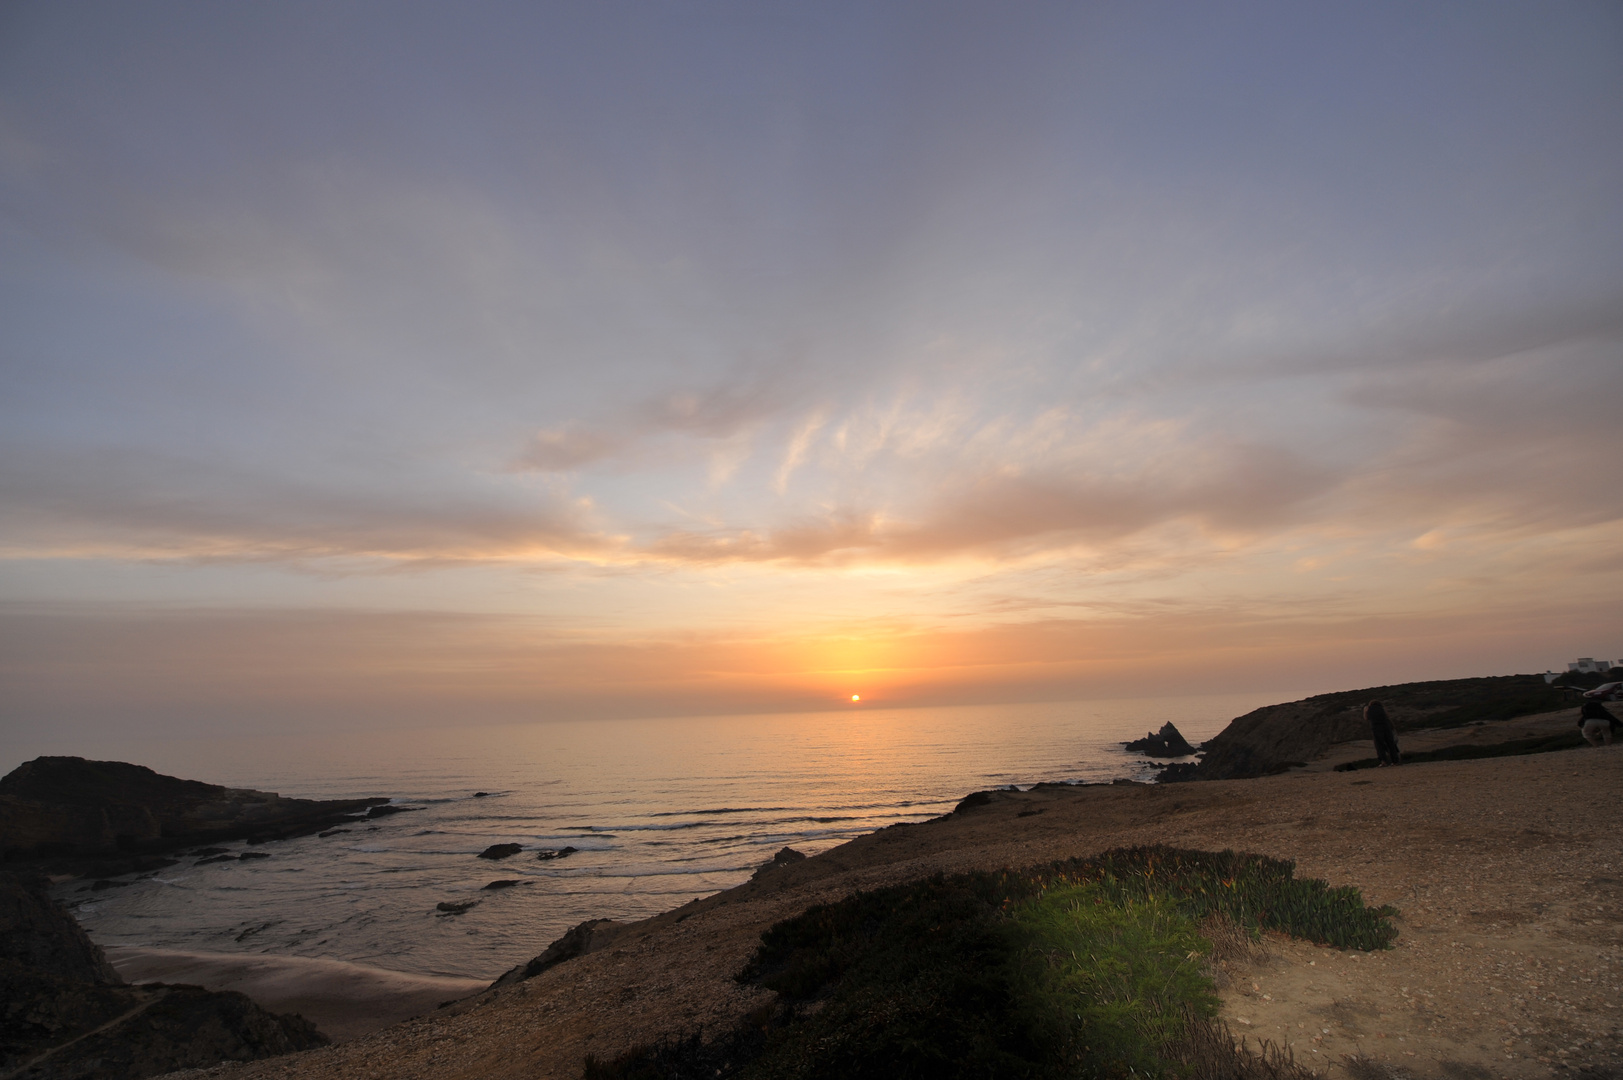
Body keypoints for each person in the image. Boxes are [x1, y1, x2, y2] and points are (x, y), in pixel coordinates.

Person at [1365, 699, 1401, 765]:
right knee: (1390, 744)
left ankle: (1383, 761)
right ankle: (1395, 761)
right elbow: (1387, 716)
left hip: (1376, 728)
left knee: (1379, 745)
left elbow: (1366, 718)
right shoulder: (1382, 708)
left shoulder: (1368, 708)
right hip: (1386, 727)